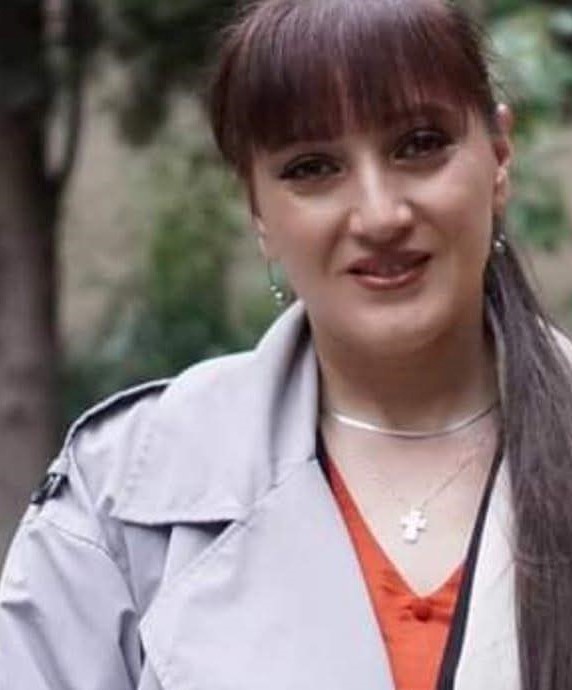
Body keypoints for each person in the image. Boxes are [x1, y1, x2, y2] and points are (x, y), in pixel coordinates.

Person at [2, 0, 572, 688]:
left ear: (500, 157)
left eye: (419, 145)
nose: (379, 215)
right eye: (312, 167)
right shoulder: (122, 497)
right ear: (258, 212)